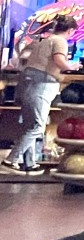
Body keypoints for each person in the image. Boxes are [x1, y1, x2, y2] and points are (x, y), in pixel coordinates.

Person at [4, 12, 75, 174]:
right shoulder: (60, 41)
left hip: (27, 82)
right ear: (70, 30)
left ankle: (29, 163)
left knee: (30, 125)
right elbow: (59, 61)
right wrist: (72, 67)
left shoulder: (44, 41)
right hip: (43, 83)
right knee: (37, 126)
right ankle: (11, 160)